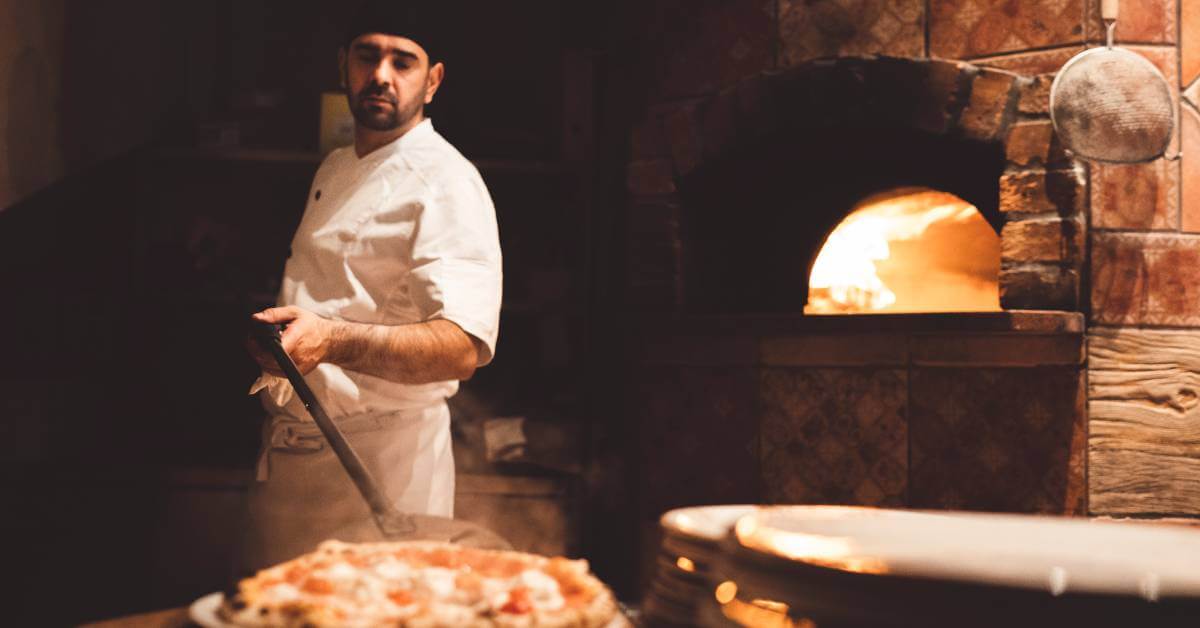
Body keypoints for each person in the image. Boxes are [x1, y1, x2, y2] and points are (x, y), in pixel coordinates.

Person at [241, 2, 502, 570]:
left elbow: (461, 348)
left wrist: (332, 341)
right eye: (368, 55)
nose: (381, 74)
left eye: (403, 61)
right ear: (344, 65)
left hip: (383, 467)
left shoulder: (447, 180)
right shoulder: (337, 165)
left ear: (432, 81)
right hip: (301, 456)